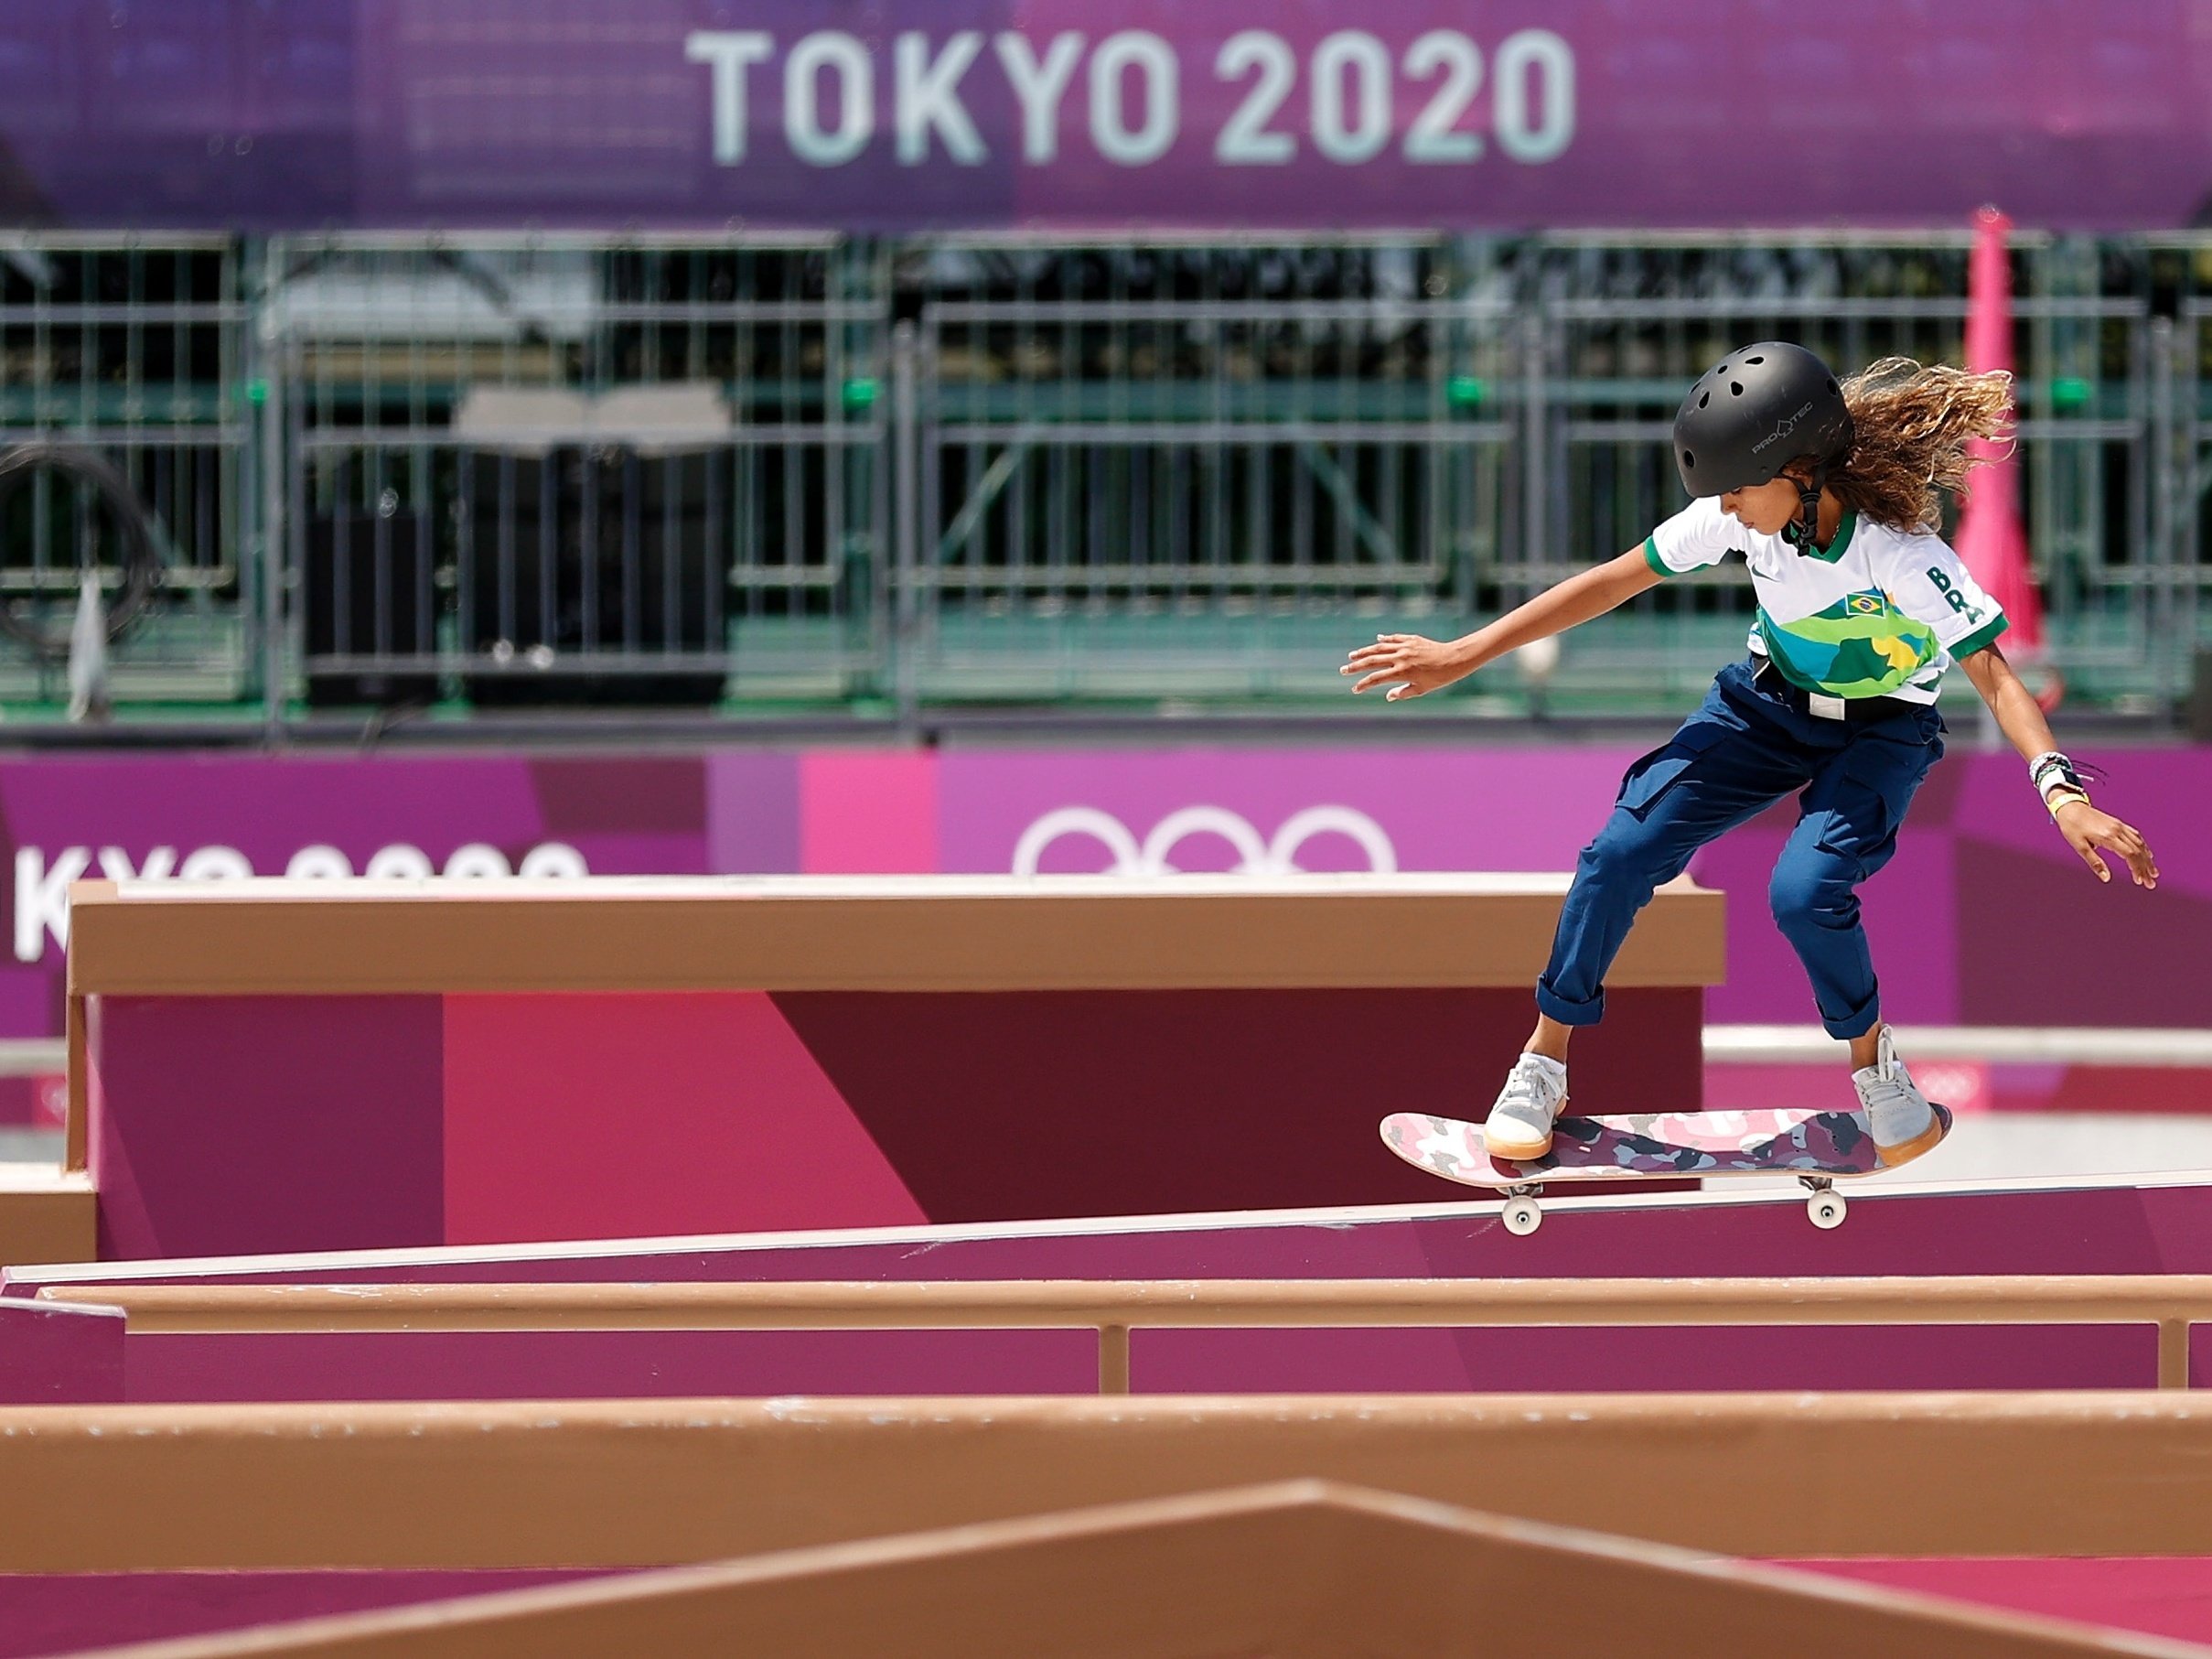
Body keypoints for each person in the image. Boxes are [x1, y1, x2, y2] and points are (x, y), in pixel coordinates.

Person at [1341, 343, 2158, 1164]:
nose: (1726, 508)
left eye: (1737, 487)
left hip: (1881, 732)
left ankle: (1876, 1067)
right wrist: (1463, 653)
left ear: (1800, 471)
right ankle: (1542, 1061)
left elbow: (1996, 677)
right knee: (1618, 853)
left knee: (1803, 893)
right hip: (1764, 707)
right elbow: (1611, 581)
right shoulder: (1736, 516)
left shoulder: (1904, 557)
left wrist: (2063, 793)